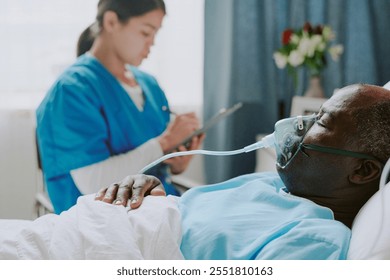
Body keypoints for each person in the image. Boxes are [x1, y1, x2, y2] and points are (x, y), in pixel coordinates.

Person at [2, 83, 388, 260]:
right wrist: (154, 192)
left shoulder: (318, 239)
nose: (299, 123)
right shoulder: (275, 185)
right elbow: (202, 226)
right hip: (100, 226)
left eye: (322, 120)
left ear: (363, 170)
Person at [36, 0, 203, 214]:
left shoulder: (149, 85)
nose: (151, 43)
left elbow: (156, 166)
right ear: (111, 22)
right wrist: (165, 142)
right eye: (145, 32)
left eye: (155, 34)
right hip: (104, 219)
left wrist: (175, 161)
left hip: (159, 208)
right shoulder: (72, 90)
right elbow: (93, 184)